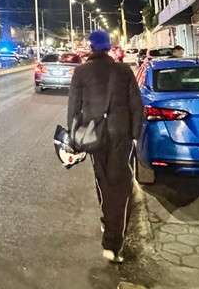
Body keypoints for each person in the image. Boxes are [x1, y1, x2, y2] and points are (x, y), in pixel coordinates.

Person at [67, 30, 144, 263]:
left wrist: (73, 140)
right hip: (121, 135)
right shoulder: (123, 70)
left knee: (103, 182)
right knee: (120, 185)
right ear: (109, 47)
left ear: (90, 48)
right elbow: (137, 105)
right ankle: (113, 243)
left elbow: (74, 110)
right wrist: (135, 135)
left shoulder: (81, 72)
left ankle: (107, 223)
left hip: (95, 136)